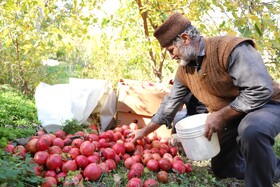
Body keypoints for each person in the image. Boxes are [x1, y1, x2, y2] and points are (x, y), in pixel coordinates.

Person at [130, 12, 280, 187]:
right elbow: (169, 105)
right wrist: (143, 132)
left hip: (267, 105)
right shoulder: (185, 71)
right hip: (233, 113)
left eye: (172, 50)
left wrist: (220, 116)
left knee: (252, 130)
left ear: (185, 38)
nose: (171, 56)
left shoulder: (230, 48)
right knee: (223, 168)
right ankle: (271, 167)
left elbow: (260, 89)